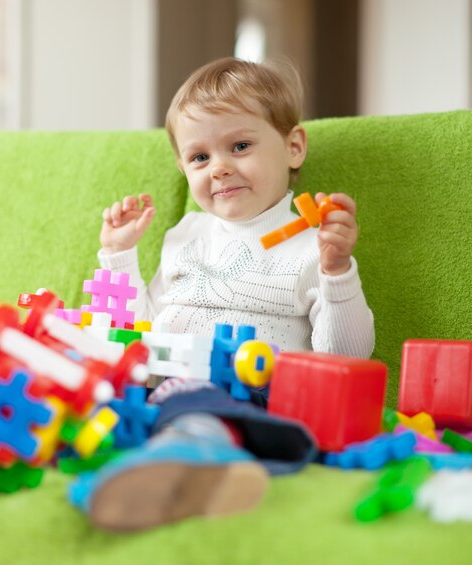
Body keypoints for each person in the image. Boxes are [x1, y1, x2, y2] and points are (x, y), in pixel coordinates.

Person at [74, 57, 376, 532]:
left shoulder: (313, 247)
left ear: (293, 146)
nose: (219, 168)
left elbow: (346, 357)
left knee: (198, 410)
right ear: (182, 166)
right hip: (152, 386)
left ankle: (191, 462)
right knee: (65, 391)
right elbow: (136, 328)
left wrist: (337, 272)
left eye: (239, 145)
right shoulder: (184, 234)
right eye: (200, 157)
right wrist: (118, 255)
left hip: (244, 395)